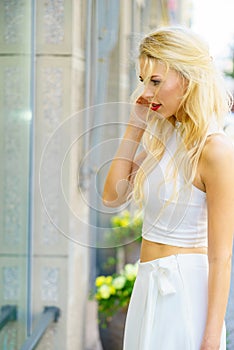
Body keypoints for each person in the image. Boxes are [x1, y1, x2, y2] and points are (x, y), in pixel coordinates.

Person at [102, 26, 234, 350]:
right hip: (147, 286)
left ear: (187, 80)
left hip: (184, 294)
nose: (145, 92)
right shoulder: (164, 141)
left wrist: (211, 339)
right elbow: (111, 196)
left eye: (156, 81)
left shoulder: (215, 149)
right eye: (143, 80)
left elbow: (221, 256)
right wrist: (136, 124)